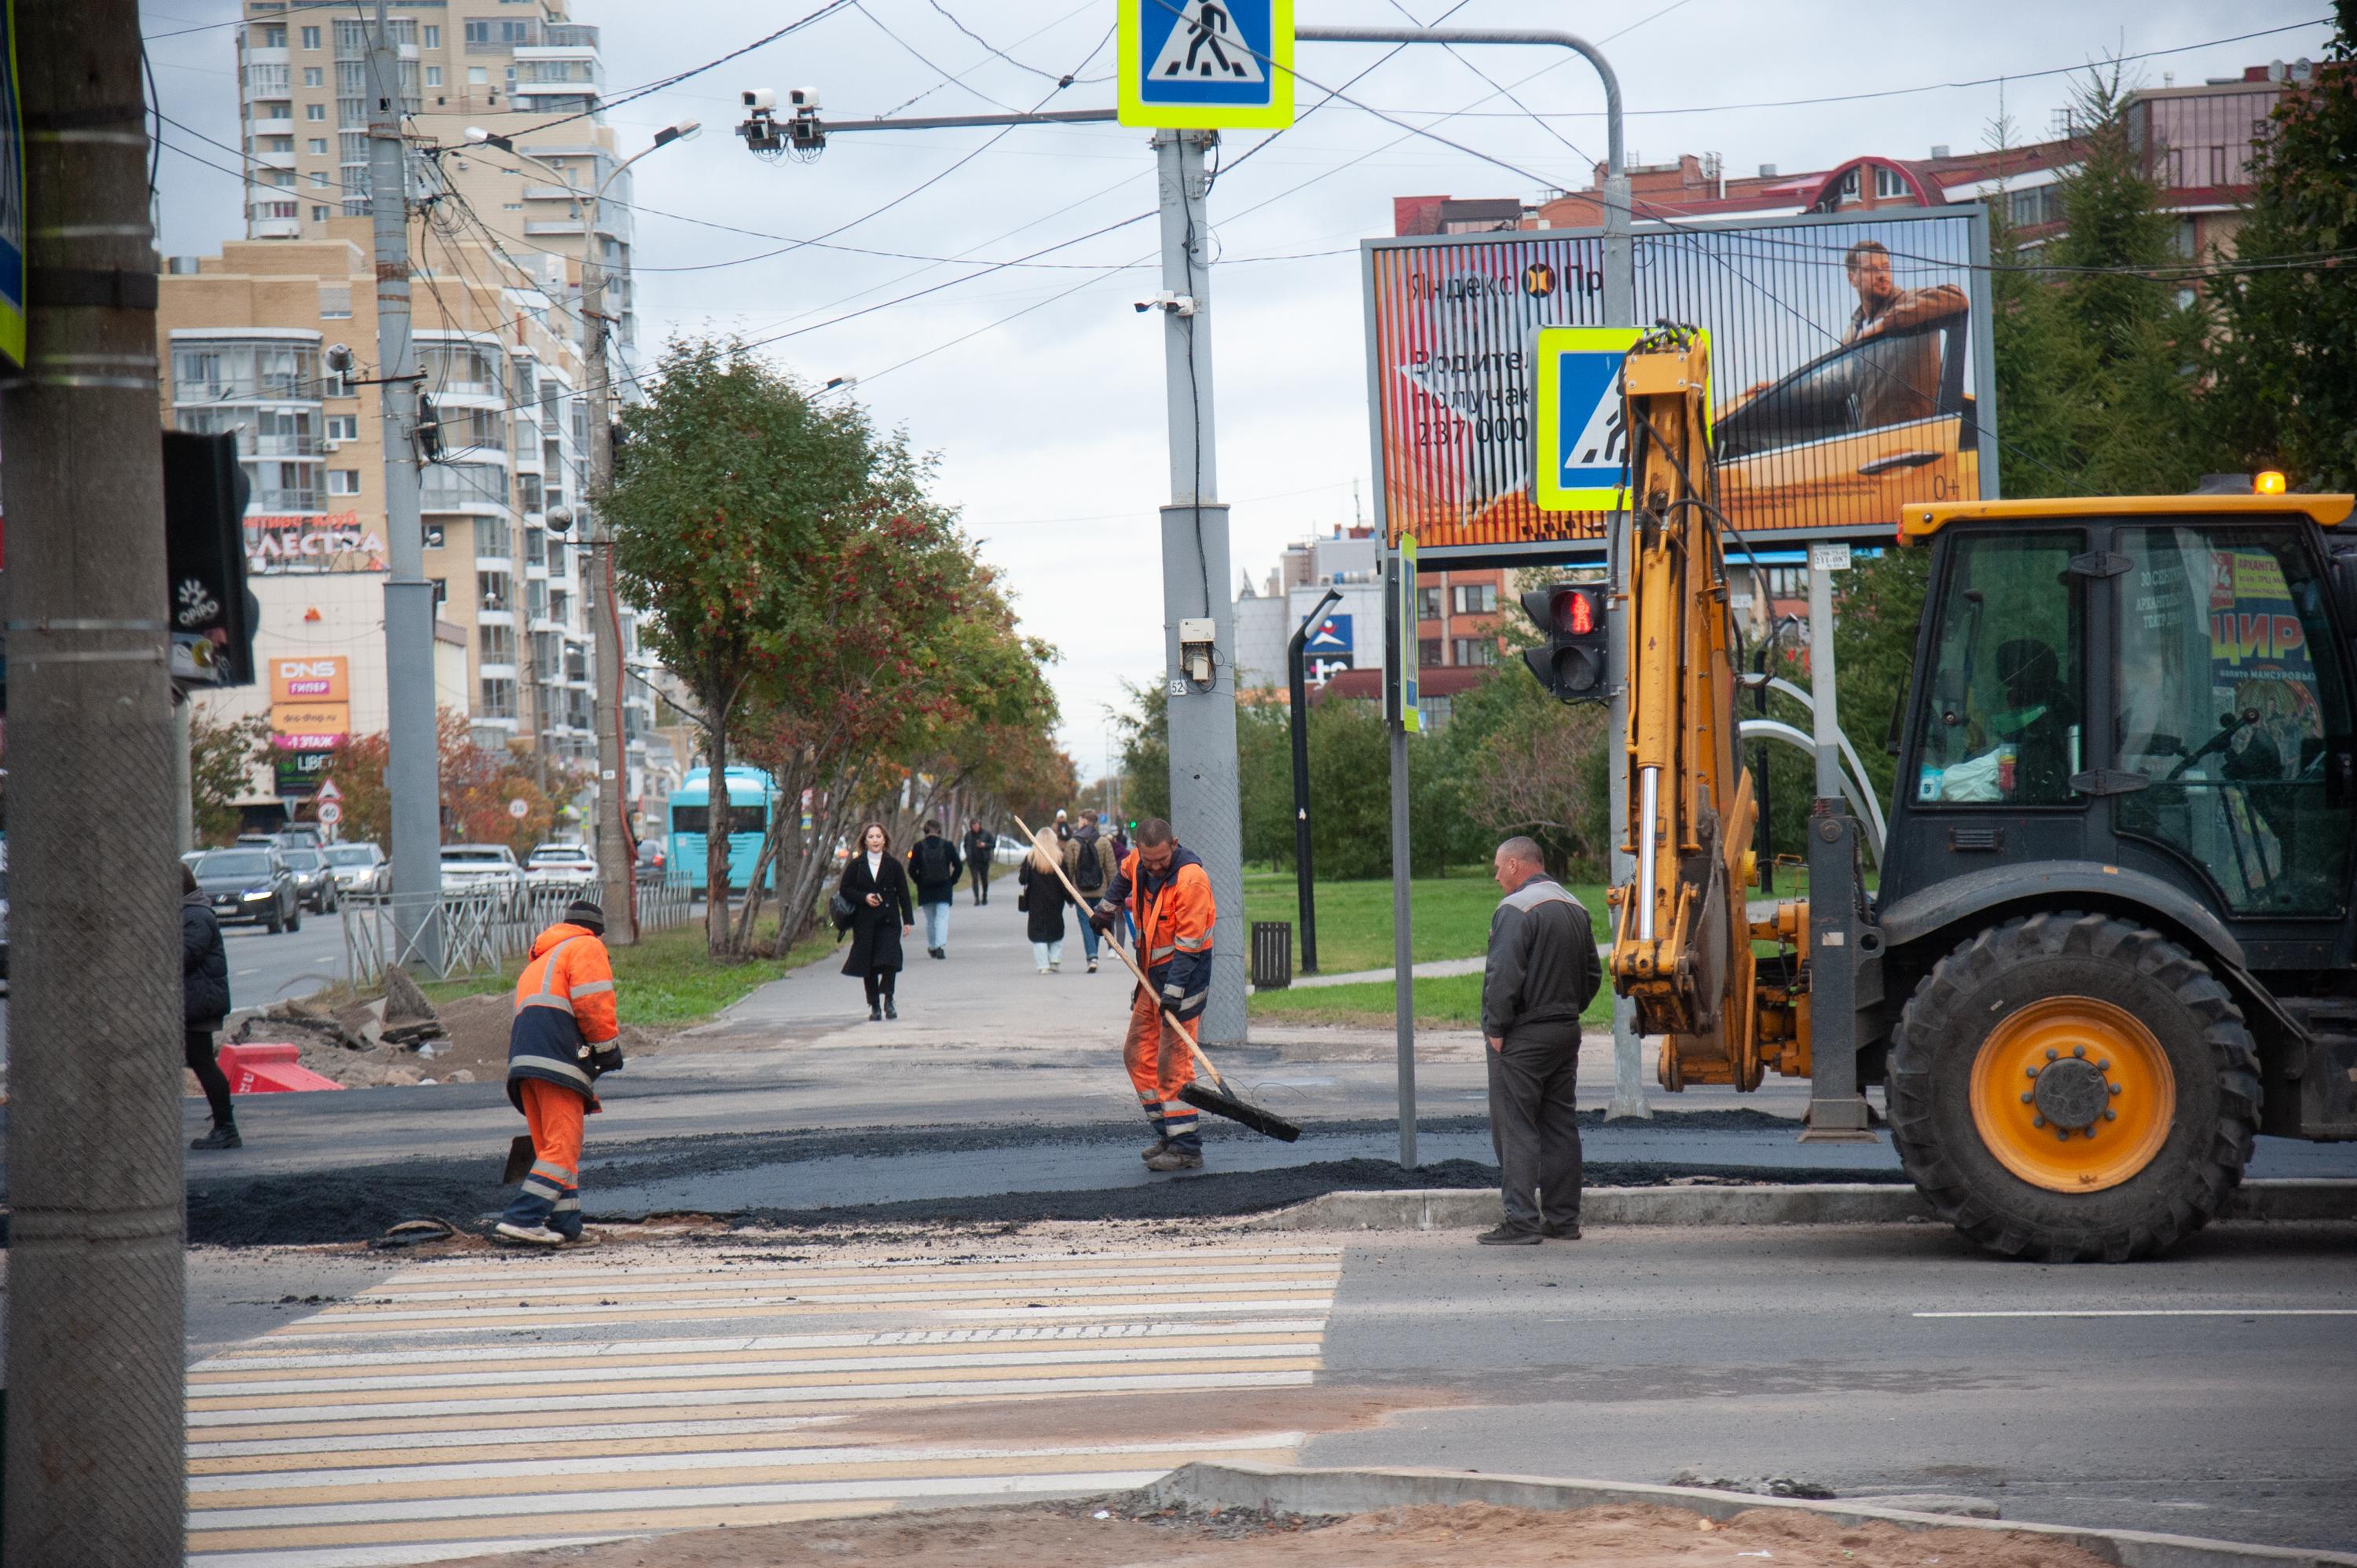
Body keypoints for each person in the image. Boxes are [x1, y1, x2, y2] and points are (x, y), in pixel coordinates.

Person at [1477, 837, 1602, 1245]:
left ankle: (1521, 1222)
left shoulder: (1516, 909)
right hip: (1565, 1030)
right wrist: (1567, 1009)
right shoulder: (1574, 906)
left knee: (1516, 1127)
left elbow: (1503, 977)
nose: (1497, 876)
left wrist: (1496, 1028)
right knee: (1560, 1125)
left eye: (1499, 867)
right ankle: (1564, 1220)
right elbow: (1592, 976)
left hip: (1523, 1035)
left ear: (1516, 864)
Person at [1090, 817, 1215, 1172]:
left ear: (1173, 845)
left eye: (1162, 860)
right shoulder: (1139, 863)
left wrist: (1173, 993)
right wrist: (1106, 909)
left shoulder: (1191, 881)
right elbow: (1123, 877)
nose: (1156, 867)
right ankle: (1168, 1134)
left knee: (1172, 1066)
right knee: (1135, 1054)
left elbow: (1189, 946)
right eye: (1149, 861)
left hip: (1185, 982)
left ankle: (1187, 1148)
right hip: (1151, 981)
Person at [496, 899, 621, 1247]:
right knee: (563, 1146)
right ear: (596, 930)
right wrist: (607, 1049)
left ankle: (567, 1224)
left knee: (553, 1147)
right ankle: (522, 1218)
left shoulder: (539, 962)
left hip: (525, 1065)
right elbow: (592, 1002)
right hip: (557, 1059)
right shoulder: (586, 946)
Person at [1842, 237, 1967, 429]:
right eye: (1871, 269)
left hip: (1918, 443)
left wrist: (1886, 323)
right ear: (1852, 278)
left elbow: (1957, 298)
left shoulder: (1909, 301)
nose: (1882, 275)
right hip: (1872, 447)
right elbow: (1839, 380)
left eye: (1885, 267)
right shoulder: (1853, 332)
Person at [183, 863, 240, 1151]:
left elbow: (185, 956)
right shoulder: (190, 914)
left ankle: (226, 1128)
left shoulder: (195, 917)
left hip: (198, 1003)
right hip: (194, 1001)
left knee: (203, 1062)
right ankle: (225, 1126)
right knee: (199, 1061)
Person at [838, 822, 914, 1020]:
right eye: (871, 837)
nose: (875, 840)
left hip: (889, 920)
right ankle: (874, 1006)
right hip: (865, 921)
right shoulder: (857, 865)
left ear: (885, 840)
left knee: (890, 959)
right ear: (865, 840)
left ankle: (889, 999)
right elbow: (845, 889)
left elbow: (904, 894)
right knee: (868, 964)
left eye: (878, 836)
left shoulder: (893, 865)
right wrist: (864, 897)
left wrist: (908, 921)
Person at [1064, 808, 1119, 973]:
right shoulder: (1103, 842)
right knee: (1097, 923)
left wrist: (1070, 892)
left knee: (1085, 924)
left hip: (1081, 892)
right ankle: (1094, 951)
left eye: (1080, 820)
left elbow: (1069, 868)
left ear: (1085, 822)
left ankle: (1092, 956)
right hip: (1101, 890)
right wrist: (1113, 892)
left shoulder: (1073, 843)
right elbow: (1111, 868)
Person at [905, 819, 963, 960]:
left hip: (925, 889)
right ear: (939, 830)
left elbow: (911, 869)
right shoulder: (947, 846)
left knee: (930, 920)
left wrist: (919, 881)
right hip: (944, 888)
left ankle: (932, 946)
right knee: (942, 918)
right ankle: (940, 947)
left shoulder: (918, 847)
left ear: (925, 831)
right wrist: (952, 881)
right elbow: (959, 866)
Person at [1018, 841, 1071, 972]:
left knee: (1038, 932)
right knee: (1057, 929)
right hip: (1056, 900)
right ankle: (1055, 959)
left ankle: (1043, 965)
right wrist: (1070, 898)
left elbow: (1022, 879)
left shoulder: (1031, 858)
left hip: (1036, 900)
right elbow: (1066, 881)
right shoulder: (1059, 857)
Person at [962, 819, 995, 906]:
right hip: (973, 862)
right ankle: (976, 898)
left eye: (977, 826)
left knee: (984, 880)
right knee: (975, 879)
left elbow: (993, 844)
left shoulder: (986, 834)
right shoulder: (968, 835)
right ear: (971, 827)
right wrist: (968, 854)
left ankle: (984, 896)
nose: (975, 828)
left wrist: (985, 845)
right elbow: (965, 846)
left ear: (979, 825)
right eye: (973, 826)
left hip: (984, 861)